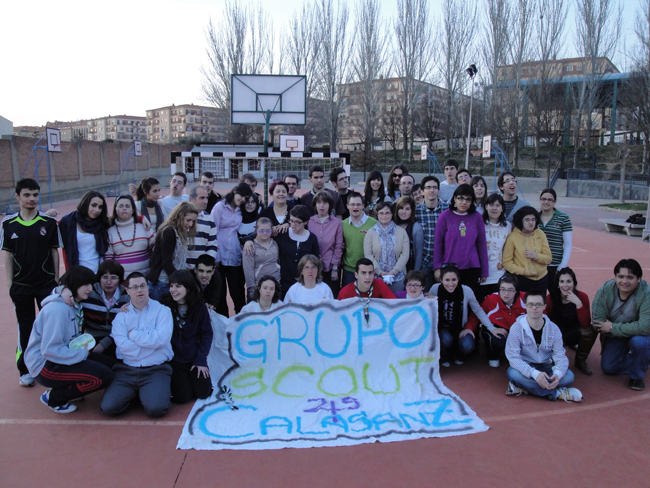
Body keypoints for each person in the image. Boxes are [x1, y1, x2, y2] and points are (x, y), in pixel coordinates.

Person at [24, 265, 114, 413]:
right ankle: (54, 397)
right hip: (45, 365)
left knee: (110, 365)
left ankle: (71, 389)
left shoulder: (74, 303)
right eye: (85, 284)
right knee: (103, 376)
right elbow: (50, 350)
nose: (90, 288)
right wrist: (82, 355)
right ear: (75, 283)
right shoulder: (58, 310)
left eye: (91, 284)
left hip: (64, 355)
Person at [2, 178, 61, 387]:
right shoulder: (8, 224)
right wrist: (10, 283)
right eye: (27, 195)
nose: (32, 199)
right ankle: (25, 369)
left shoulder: (48, 223)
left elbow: (55, 251)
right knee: (25, 328)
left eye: (35, 195)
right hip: (21, 287)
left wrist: (55, 279)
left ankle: (51, 366)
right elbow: (7, 255)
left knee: (49, 328)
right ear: (17, 196)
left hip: (46, 284)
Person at [101, 272, 174, 418]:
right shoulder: (121, 316)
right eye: (134, 287)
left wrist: (133, 335)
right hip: (126, 370)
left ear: (148, 287)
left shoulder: (163, 311)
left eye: (142, 286)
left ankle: (146, 394)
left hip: (156, 369)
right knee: (108, 408)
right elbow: (123, 347)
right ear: (127, 291)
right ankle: (138, 394)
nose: (139, 290)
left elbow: (162, 340)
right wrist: (152, 346)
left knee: (156, 410)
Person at [505, 289, 582, 402]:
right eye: (531, 304)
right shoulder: (516, 328)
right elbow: (513, 358)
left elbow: (560, 356)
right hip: (526, 367)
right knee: (513, 373)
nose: (534, 308)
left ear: (544, 306)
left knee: (569, 376)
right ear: (525, 306)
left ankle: (525, 388)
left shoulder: (554, 329)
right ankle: (557, 393)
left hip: (546, 367)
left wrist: (557, 374)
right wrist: (535, 374)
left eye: (538, 304)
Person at [592, 259, 650, 390]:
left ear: (638, 279)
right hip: (616, 335)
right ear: (615, 277)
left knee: (640, 343)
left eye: (630, 277)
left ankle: (636, 377)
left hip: (636, 334)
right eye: (621, 276)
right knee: (608, 367)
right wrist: (617, 330)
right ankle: (643, 361)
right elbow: (597, 323)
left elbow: (645, 326)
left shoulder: (646, 293)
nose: (625, 281)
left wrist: (613, 327)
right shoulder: (606, 290)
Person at [162, 270, 213, 403]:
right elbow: (145, 305)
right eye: (171, 286)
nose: (173, 290)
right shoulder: (164, 303)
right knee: (182, 397)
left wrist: (201, 360)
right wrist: (126, 306)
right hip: (173, 359)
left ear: (188, 288)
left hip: (193, 358)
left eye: (178, 286)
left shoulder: (199, 305)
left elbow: (207, 333)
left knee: (203, 393)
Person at [430, 265, 492, 367]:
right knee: (445, 339)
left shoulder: (466, 290)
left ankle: (460, 355)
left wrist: (492, 328)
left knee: (468, 345)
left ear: (458, 279)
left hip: (460, 327)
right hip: (443, 327)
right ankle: (444, 356)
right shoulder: (435, 289)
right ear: (441, 280)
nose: (450, 284)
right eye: (447, 280)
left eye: (454, 279)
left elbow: (478, 310)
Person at [433, 184, 488, 295]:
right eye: (461, 198)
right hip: (450, 268)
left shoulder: (477, 217)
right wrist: (437, 267)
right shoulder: (445, 217)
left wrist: (484, 271)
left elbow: (481, 245)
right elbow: (438, 244)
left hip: (472, 267)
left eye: (468, 199)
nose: (464, 202)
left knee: (469, 302)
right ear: (454, 199)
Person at [466, 273, 527, 368]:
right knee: (498, 340)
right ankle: (493, 355)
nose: (506, 293)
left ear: (516, 290)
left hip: (517, 331)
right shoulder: (491, 300)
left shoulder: (525, 299)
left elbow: (540, 313)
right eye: (502, 289)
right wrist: (469, 328)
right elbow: (476, 315)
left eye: (510, 290)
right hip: (496, 330)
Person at [210, 182, 253, 315]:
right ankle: (224, 325)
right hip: (219, 255)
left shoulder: (242, 209)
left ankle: (240, 324)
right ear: (234, 191)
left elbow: (255, 212)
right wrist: (215, 257)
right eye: (241, 195)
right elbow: (212, 231)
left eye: (246, 197)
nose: (243, 199)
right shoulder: (219, 207)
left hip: (234, 255)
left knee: (238, 292)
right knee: (220, 293)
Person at [147, 201, 199, 301]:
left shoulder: (180, 232)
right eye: (188, 220)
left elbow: (177, 261)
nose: (190, 224)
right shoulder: (168, 232)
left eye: (193, 221)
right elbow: (167, 262)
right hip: (163, 284)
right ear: (179, 216)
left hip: (171, 283)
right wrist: (181, 281)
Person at [82, 260, 131, 364]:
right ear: (99, 278)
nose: (108, 282)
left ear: (119, 280)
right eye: (105, 277)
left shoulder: (127, 296)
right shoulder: (89, 292)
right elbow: (65, 288)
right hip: (90, 338)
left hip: (115, 338)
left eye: (113, 278)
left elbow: (127, 326)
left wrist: (104, 344)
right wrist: (62, 292)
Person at [502, 206, 552, 293]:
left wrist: (536, 256)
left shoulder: (540, 234)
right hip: (523, 279)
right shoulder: (513, 237)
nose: (531, 223)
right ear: (521, 220)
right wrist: (523, 271)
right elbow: (506, 262)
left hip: (542, 278)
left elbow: (548, 258)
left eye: (533, 219)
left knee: (540, 304)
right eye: (527, 220)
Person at [363, 202, 409, 294]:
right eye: (381, 213)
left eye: (387, 213)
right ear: (377, 214)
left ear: (392, 214)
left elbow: (405, 254)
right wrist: (379, 272)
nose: (384, 216)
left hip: (397, 277)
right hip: (376, 277)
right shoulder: (371, 233)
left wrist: (394, 272)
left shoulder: (401, 232)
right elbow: (368, 254)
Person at [59, 190, 110, 272]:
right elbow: (49, 228)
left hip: (98, 274)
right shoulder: (68, 222)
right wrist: (48, 216)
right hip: (77, 274)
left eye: (100, 207)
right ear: (85, 204)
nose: (97, 210)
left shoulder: (103, 222)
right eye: (94, 205)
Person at [275, 205, 320, 297]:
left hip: (304, 283)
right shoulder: (283, 233)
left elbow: (316, 261)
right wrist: (247, 240)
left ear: (306, 222)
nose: (293, 224)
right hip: (283, 282)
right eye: (291, 221)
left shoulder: (312, 238)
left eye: (297, 222)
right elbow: (262, 234)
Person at [106, 194, 155, 276]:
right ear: (115, 209)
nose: (124, 208)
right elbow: (108, 259)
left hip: (146, 277)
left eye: (127, 206)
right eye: (121, 206)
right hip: (122, 280)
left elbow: (155, 248)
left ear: (132, 210)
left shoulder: (144, 226)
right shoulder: (110, 231)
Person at [546, 267, 591, 352]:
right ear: (558, 284)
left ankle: (580, 361)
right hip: (555, 334)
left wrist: (579, 304)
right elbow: (544, 320)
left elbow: (586, 324)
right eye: (562, 281)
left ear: (574, 283)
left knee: (590, 330)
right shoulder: (550, 298)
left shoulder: (582, 297)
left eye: (569, 281)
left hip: (573, 333)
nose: (565, 285)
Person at [308, 191, 344, 296]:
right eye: (318, 202)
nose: (321, 205)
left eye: (325, 202)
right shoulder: (309, 222)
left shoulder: (337, 223)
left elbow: (339, 246)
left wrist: (334, 268)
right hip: (313, 267)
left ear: (330, 205)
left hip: (330, 267)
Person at [416, 175, 449, 290]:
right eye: (428, 187)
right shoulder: (416, 212)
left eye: (435, 187)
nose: (432, 190)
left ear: (438, 191)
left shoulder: (447, 210)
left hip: (444, 261)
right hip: (424, 262)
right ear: (422, 191)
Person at [478, 193, 512, 302]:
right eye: (491, 205)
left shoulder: (508, 226)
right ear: (486, 206)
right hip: (482, 275)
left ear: (502, 208)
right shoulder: (479, 224)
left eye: (498, 205)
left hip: (499, 274)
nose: (494, 208)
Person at [538, 188, 572, 291]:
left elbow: (568, 244)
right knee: (539, 297)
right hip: (538, 265)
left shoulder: (563, 218)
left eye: (550, 200)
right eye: (543, 199)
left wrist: (562, 265)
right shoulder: (534, 217)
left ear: (555, 202)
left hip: (555, 266)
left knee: (556, 297)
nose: (546, 202)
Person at [341, 192, 377, 288]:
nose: (355, 207)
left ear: (363, 206)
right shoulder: (342, 225)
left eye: (358, 204)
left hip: (368, 271)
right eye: (352, 204)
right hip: (349, 270)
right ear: (347, 206)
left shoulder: (374, 224)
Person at [243, 217, 281, 301]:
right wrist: (252, 290)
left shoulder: (275, 243)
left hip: (276, 285)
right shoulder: (250, 247)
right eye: (261, 230)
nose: (265, 233)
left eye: (268, 231)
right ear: (256, 229)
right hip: (259, 287)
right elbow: (248, 269)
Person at [187, 185, 218, 269]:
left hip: (202, 271)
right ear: (192, 199)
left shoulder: (210, 219)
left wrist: (204, 267)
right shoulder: (182, 218)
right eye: (202, 198)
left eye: (206, 198)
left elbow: (212, 245)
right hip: (183, 270)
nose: (206, 201)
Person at [394, 196, 423, 272]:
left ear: (412, 211)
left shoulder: (416, 227)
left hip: (409, 268)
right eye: (401, 208)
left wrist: (415, 272)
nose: (404, 212)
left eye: (407, 209)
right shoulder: (392, 225)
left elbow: (418, 254)